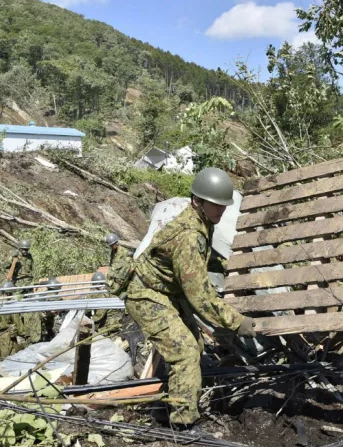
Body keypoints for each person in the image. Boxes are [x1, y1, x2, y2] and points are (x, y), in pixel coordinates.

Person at [125, 167, 256, 428]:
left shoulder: (202, 222)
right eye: (216, 205)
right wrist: (238, 322)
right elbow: (201, 298)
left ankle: (165, 408)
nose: (222, 210)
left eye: (224, 205)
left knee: (194, 346)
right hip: (147, 295)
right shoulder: (188, 236)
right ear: (197, 201)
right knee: (184, 352)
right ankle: (183, 426)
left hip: (167, 292)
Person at [105, 233, 134, 298]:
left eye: (112, 245)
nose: (111, 247)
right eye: (110, 245)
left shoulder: (125, 252)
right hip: (117, 279)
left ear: (116, 243)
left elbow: (131, 268)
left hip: (125, 280)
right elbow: (112, 265)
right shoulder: (113, 252)